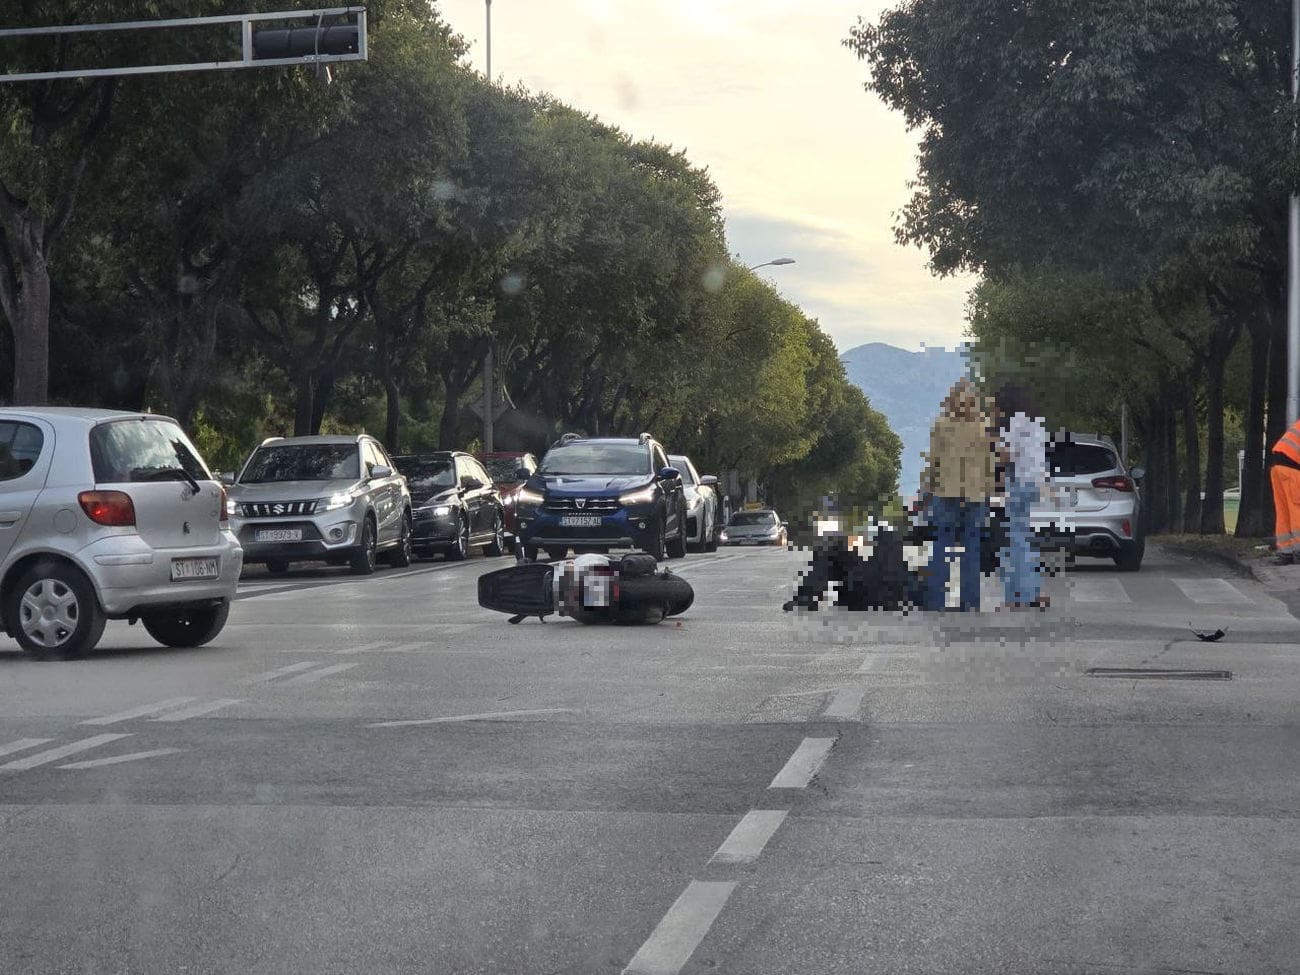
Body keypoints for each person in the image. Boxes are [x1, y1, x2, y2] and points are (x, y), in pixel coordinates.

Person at [920, 379, 997, 612]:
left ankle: (936, 602)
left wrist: (928, 485)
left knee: (941, 545)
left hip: (946, 491)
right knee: (972, 547)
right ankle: (970, 603)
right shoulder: (983, 425)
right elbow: (989, 462)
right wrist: (989, 489)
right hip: (975, 494)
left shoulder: (941, 424)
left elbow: (934, 460)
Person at [995, 383, 1049, 609]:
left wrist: (991, 450)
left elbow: (1007, 455)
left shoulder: (1016, 422)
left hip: (1019, 483)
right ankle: (1018, 594)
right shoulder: (1036, 422)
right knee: (1022, 537)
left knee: (1018, 540)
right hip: (1035, 483)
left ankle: (1023, 594)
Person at [1269, 415, 1300, 565]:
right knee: (1296, 509)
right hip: (1292, 469)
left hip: (1277, 467)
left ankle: (1285, 552)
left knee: (1283, 511)